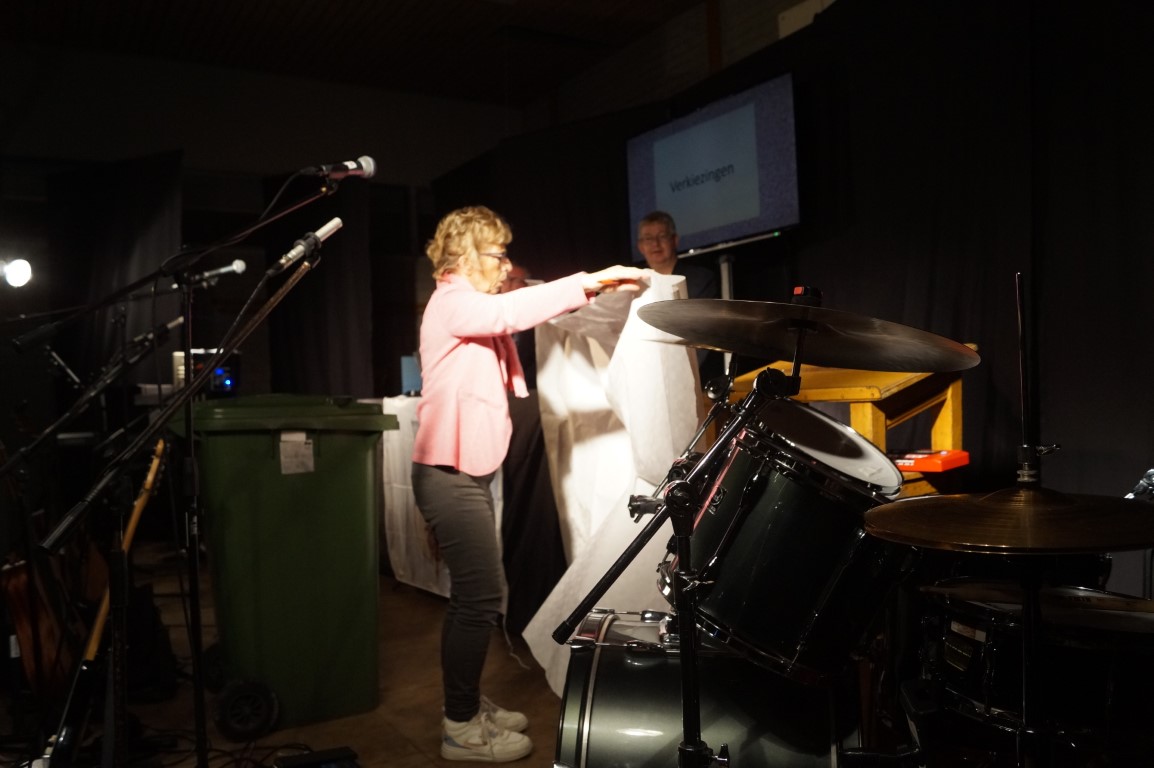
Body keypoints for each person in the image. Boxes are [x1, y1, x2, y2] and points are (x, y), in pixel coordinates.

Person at [411, 206, 647, 762]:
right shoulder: (452, 301)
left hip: (459, 476)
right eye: (498, 255)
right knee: (479, 600)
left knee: (471, 598)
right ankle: (460, 726)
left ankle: (464, 704)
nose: (506, 265)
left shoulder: (463, 305)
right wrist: (591, 282)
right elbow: (509, 313)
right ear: (467, 254)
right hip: (449, 477)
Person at [635, 210, 724, 382]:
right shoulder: (634, 287)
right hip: (648, 375)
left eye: (662, 236)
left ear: (674, 240)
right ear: (640, 247)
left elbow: (702, 337)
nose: (655, 244)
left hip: (694, 377)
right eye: (648, 238)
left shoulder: (700, 279)